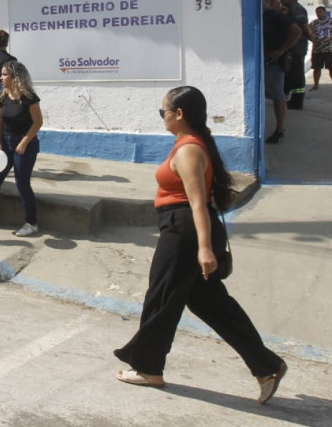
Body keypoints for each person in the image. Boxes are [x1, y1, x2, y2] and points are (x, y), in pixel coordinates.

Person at [113, 86, 287, 403]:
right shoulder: (187, 144)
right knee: (210, 304)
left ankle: (148, 368)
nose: (162, 116)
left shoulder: (189, 150)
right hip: (182, 228)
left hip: (184, 231)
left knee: (161, 298)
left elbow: (197, 203)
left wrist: (204, 249)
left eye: (163, 111)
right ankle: (266, 366)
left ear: (179, 114)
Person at [0, 61, 44, 235]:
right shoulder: (3, 96)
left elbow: (38, 122)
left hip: (24, 145)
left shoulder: (29, 98)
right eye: (1, 74)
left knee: (22, 182)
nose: (1, 78)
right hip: (5, 143)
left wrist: (24, 142)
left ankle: (31, 223)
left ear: (16, 77)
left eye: (5, 75)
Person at [262, 0, 301, 145]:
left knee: (278, 97)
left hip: (273, 63)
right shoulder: (257, 16)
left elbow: (297, 31)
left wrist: (281, 50)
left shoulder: (275, 15)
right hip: (259, 62)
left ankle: (280, 130)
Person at [281, 0, 311, 110]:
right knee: (291, 73)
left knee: (297, 74)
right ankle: (292, 99)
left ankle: (297, 101)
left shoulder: (296, 9)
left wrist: (311, 37)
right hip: (294, 48)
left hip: (297, 48)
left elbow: (304, 27)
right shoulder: (290, 10)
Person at [308, 6, 332, 91]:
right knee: (316, 68)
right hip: (318, 49)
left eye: (320, 12)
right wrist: (313, 40)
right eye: (317, 12)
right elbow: (307, 33)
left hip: (330, 49)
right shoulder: (313, 23)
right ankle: (315, 85)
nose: (318, 14)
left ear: (324, 12)